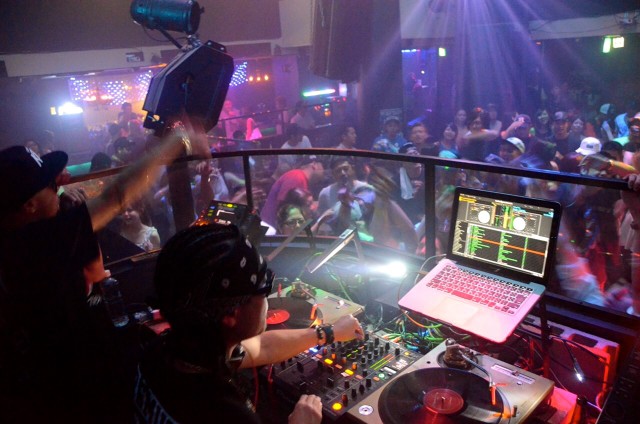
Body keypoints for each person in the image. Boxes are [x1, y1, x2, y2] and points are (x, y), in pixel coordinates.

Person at [0, 127, 198, 421]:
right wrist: (177, 141)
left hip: (65, 380)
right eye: (51, 185)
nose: (62, 184)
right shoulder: (31, 243)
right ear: (29, 206)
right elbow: (116, 196)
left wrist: (71, 218)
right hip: (68, 394)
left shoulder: (25, 242)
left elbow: (95, 273)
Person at [134, 224, 363, 423]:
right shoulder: (226, 412)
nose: (268, 300)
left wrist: (329, 333)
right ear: (232, 314)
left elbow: (262, 346)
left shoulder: (162, 352)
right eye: (264, 289)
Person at [261, 155, 325, 228]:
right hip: (271, 229)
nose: (324, 171)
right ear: (314, 165)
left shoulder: (300, 178)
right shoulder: (297, 177)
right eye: (323, 166)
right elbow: (284, 208)